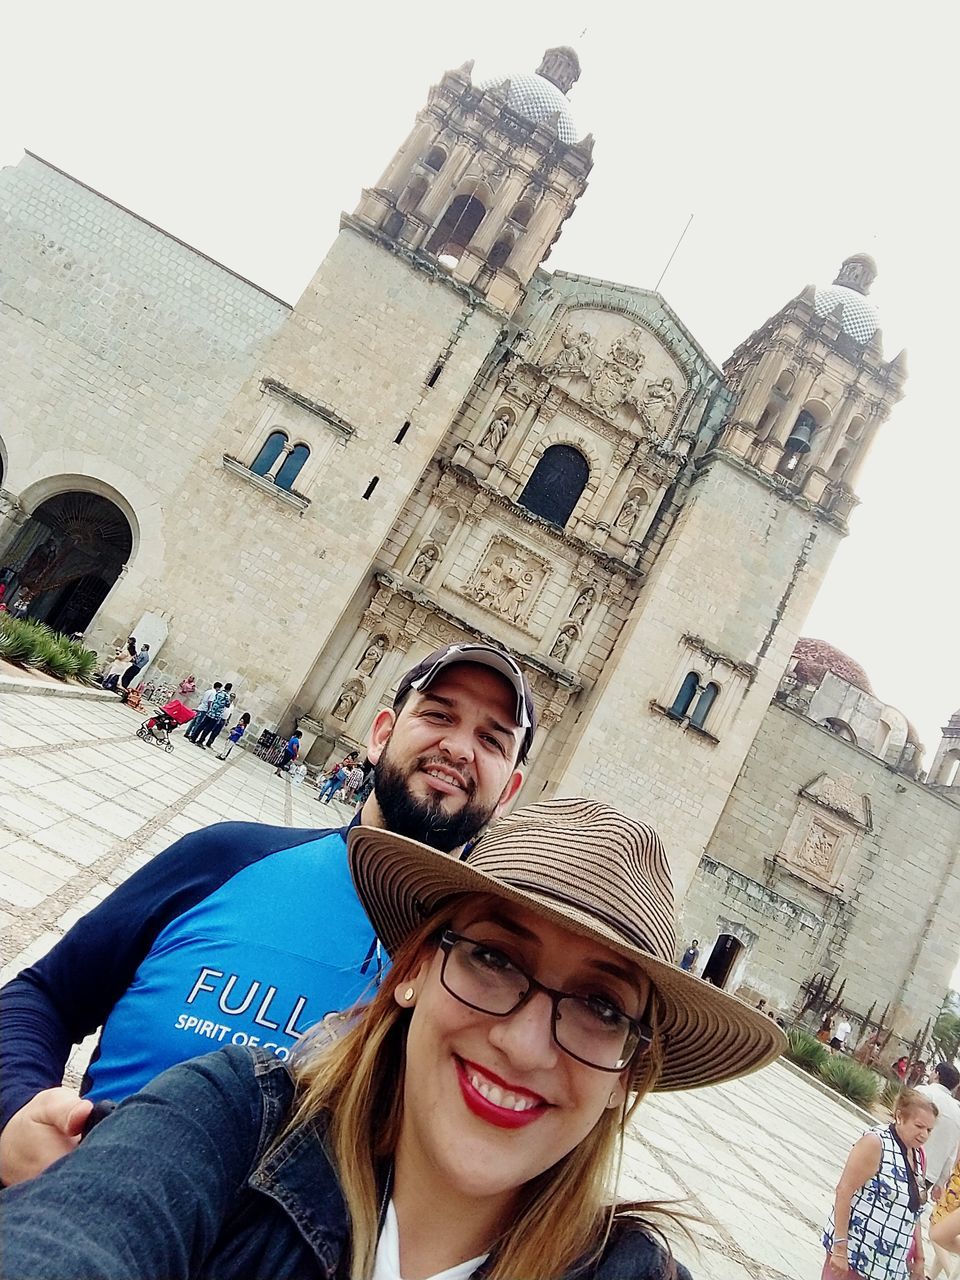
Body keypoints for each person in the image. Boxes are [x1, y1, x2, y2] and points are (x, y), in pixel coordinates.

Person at [0, 798, 784, 1279]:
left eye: (602, 1008)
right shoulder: (226, 1121)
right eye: (492, 957)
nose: (523, 1043)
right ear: (406, 971)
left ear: (628, 1072)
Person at [0, 642, 534, 1186]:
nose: (458, 748)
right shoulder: (224, 858)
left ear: (510, 790)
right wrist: (16, 1111)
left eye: (492, 739)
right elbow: (43, 997)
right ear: (380, 734)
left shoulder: (497, 981)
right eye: (438, 714)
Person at [823, 1087, 937, 1279]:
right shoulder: (875, 1143)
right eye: (919, 1126)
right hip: (855, 1255)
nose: (924, 1134)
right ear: (900, 1117)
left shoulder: (918, 1155)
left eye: (929, 1130)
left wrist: (920, 1258)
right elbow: (844, 1190)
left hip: (888, 1265)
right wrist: (840, 1248)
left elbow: (914, 1209)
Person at [917, 1063, 960, 1195]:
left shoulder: (922, 1092)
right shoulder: (957, 1112)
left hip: (904, 1159)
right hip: (930, 1172)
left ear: (937, 1074)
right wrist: (941, 1182)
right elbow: (952, 1151)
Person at [929, 1153, 960, 1280]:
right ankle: (931, 1276)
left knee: (936, 1224)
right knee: (949, 1229)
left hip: (957, 1183)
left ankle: (949, 1274)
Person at [195, 682, 233, 749]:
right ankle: (200, 741)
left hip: (210, 712)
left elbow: (214, 700)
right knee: (208, 729)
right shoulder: (227, 696)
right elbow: (227, 705)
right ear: (229, 689)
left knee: (202, 725)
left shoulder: (218, 692)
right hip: (216, 715)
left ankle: (194, 737)